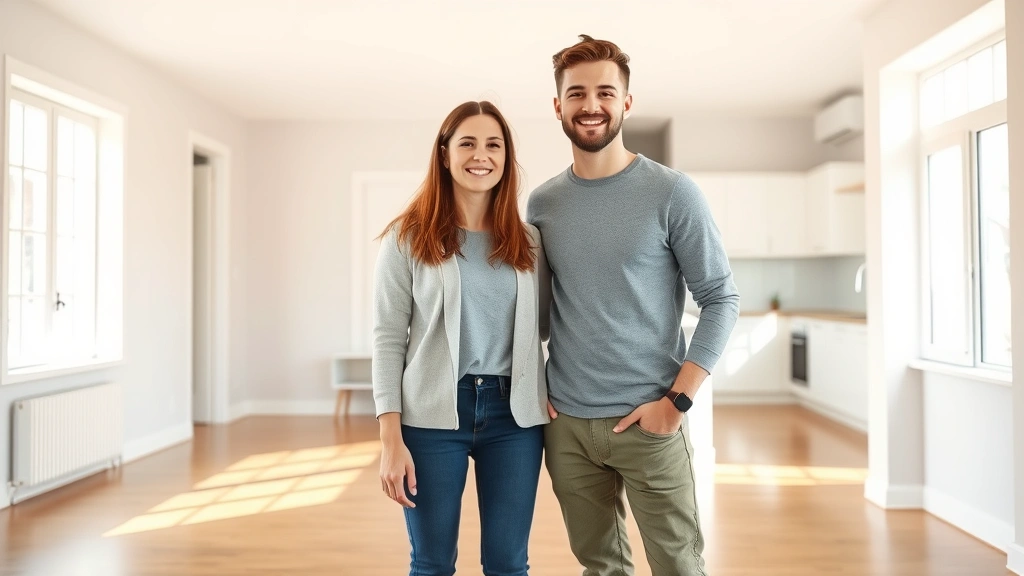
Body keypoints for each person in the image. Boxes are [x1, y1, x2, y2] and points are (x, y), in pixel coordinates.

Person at [527, 35, 741, 576]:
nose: (590, 105)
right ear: (558, 106)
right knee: (600, 567)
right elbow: (541, 317)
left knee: (678, 566)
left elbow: (721, 298)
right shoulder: (543, 204)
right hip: (568, 425)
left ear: (626, 101)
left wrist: (678, 402)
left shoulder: (672, 193)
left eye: (605, 91)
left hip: (651, 420)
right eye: (576, 93)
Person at [372, 100, 551, 576]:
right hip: (431, 416)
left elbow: (552, 326)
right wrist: (390, 438)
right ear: (445, 153)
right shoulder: (406, 238)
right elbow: (388, 338)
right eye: (468, 142)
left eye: (494, 145)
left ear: (506, 159)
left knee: (509, 564)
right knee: (430, 564)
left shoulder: (530, 241)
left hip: (515, 418)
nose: (481, 155)